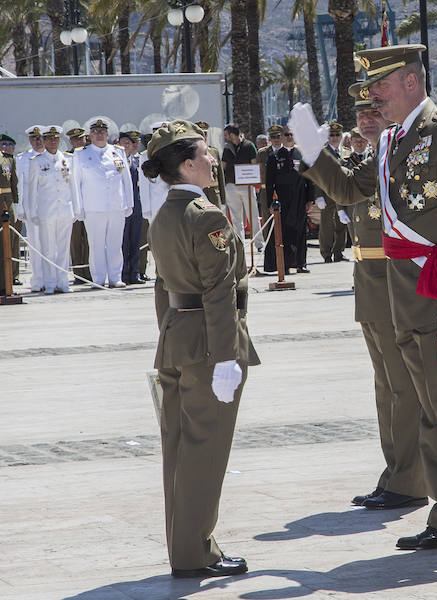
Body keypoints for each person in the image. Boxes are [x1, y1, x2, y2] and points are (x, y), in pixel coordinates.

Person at [292, 43, 437, 553]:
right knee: (427, 411)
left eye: (380, 84)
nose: (373, 95)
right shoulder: (391, 139)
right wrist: (313, 152)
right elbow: (352, 190)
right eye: (370, 87)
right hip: (408, 293)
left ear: (412, 82)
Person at [143, 119, 259, 578]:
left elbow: (162, 287)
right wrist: (228, 357)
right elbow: (218, 291)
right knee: (204, 453)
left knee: (180, 448)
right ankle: (195, 553)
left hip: (178, 340)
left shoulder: (165, 214)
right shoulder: (206, 215)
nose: (213, 160)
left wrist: (168, 337)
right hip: (211, 347)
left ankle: (186, 547)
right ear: (188, 166)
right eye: (206, 155)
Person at [341, 81, 427, 510]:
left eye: (374, 111)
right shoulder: (366, 160)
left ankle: (409, 478)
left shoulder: (399, 158)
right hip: (368, 281)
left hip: (396, 279)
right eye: (361, 114)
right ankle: (394, 472)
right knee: (385, 386)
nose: (367, 119)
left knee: (402, 386)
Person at [72, 119, 134, 288]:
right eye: (95, 132)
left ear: (107, 134)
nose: (99, 134)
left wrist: (129, 203)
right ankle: (99, 278)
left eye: (102, 131)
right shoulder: (80, 154)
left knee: (115, 244)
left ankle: (115, 277)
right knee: (96, 245)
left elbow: (126, 180)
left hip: (116, 205)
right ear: (90, 135)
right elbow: (75, 183)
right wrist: (79, 208)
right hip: (93, 207)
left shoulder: (117, 152)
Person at [25, 126, 78, 294]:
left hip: (64, 210)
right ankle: (49, 283)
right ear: (45, 141)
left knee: (63, 248)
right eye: (49, 139)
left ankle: (63, 282)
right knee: (48, 248)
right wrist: (32, 212)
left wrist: (76, 208)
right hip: (46, 211)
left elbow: (74, 187)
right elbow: (32, 189)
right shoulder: (36, 161)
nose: (53, 142)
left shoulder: (67, 159)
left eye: (56, 139)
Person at [264, 125, 312, 273]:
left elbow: (309, 178)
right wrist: (270, 203)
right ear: (282, 137)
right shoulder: (274, 157)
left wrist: (310, 199)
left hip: (300, 199)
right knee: (284, 232)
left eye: (291, 134)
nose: (289, 137)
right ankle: (285, 264)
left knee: (301, 231)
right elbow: (269, 181)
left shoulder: (302, 155)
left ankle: (301, 263)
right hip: (283, 199)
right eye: (286, 135)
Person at [221, 123, 262, 248]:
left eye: (226, 135)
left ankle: (259, 243)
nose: (225, 138)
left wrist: (255, 182)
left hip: (247, 185)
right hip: (231, 186)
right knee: (235, 218)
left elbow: (254, 164)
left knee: (253, 215)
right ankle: (239, 244)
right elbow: (223, 166)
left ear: (232, 135)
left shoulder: (249, 146)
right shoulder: (227, 148)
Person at [17, 125, 45, 292]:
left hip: (50, 207)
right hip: (32, 208)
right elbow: (20, 185)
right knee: (35, 246)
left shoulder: (51, 157)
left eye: (40, 137)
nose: (38, 141)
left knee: (53, 246)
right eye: (34, 138)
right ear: (30, 140)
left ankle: (52, 278)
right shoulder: (23, 159)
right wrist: (20, 208)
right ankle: (38, 280)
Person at [316, 122, 348, 263]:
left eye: (337, 135)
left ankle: (339, 252)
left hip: (342, 193)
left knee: (342, 224)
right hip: (327, 193)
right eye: (332, 135)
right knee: (327, 225)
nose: (335, 137)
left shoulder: (346, 152)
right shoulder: (322, 152)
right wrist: (318, 195)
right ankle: (326, 252)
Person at [65, 127, 92, 286]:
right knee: (75, 240)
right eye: (75, 139)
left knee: (89, 240)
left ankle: (90, 272)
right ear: (70, 142)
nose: (78, 142)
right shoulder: (67, 157)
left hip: (89, 203)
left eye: (80, 138)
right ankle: (78, 273)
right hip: (73, 204)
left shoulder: (89, 155)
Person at [118, 131, 144, 285]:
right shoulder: (115, 160)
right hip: (121, 207)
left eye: (129, 143)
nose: (127, 145)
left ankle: (134, 273)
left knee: (135, 241)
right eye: (124, 142)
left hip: (136, 206)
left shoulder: (137, 160)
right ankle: (122, 273)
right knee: (122, 242)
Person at [0, 135, 19, 295]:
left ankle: (7, 282)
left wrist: (16, 204)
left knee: (9, 242)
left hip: (6, 202)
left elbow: (14, 185)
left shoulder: (9, 160)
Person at [195, 122, 227, 209]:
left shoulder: (214, 152)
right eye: (201, 134)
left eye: (205, 134)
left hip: (214, 195)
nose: (203, 136)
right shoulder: (191, 153)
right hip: (199, 194)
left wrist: (223, 199)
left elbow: (220, 176)